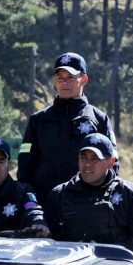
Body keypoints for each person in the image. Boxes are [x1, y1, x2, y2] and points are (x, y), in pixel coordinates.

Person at [18, 52, 117, 205]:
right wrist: (30, 204)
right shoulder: (38, 120)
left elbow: (112, 165)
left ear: (84, 79)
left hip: (85, 206)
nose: (64, 82)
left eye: (70, 77)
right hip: (44, 206)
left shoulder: (100, 120)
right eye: (60, 78)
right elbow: (25, 167)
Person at [44, 133, 133, 259]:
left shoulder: (131, 194)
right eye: (83, 157)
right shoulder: (59, 195)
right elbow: (48, 241)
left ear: (110, 162)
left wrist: (103, 252)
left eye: (95, 158)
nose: (87, 164)